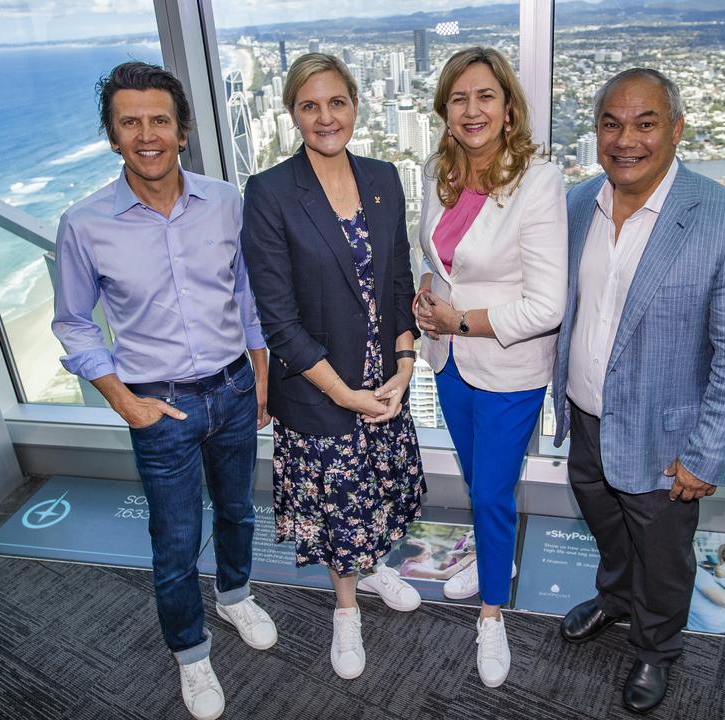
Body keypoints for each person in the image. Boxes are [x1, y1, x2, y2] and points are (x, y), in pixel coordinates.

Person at [51, 61, 276, 720]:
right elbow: (71, 323)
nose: (147, 134)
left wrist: (261, 375)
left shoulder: (227, 202)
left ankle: (235, 597)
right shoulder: (85, 224)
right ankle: (191, 653)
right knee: (175, 541)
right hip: (160, 406)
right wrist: (125, 402)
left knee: (236, 512)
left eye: (159, 120)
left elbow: (247, 295)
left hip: (234, 388)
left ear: (182, 131)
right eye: (131, 122)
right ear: (113, 135)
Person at [551, 67, 725, 714]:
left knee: (664, 554)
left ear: (676, 130)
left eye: (646, 123)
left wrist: (707, 456)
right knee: (608, 529)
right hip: (587, 419)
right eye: (611, 123)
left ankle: (656, 648)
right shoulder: (575, 206)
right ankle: (616, 599)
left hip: (665, 436)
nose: (627, 139)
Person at [240, 53, 426, 682]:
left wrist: (403, 364)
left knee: (374, 495)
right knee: (340, 506)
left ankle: (374, 568)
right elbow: (279, 319)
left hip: (384, 382)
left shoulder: (383, 177)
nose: (326, 117)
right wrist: (346, 394)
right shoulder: (270, 192)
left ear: (355, 104)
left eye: (337, 102)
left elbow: (398, 281)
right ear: (292, 113)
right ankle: (345, 607)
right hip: (322, 390)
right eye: (309, 106)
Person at [413, 46, 567, 689]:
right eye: (459, 99)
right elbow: (434, 255)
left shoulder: (539, 180)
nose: (471, 110)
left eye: (485, 97)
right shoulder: (435, 170)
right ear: (445, 111)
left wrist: (460, 320)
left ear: (508, 108)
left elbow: (547, 303)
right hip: (449, 362)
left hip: (508, 369)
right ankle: (492, 561)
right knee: (480, 483)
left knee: (496, 491)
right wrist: (427, 285)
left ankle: (493, 615)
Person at [390, 537, 477, 581]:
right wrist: (468, 558)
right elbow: (444, 575)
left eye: (430, 550)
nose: (430, 554)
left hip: (430, 580)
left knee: (445, 564)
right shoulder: (411, 569)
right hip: (421, 590)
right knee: (454, 572)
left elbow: (442, 566)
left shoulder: (422, 559)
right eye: (426, 554)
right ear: (411, 557)